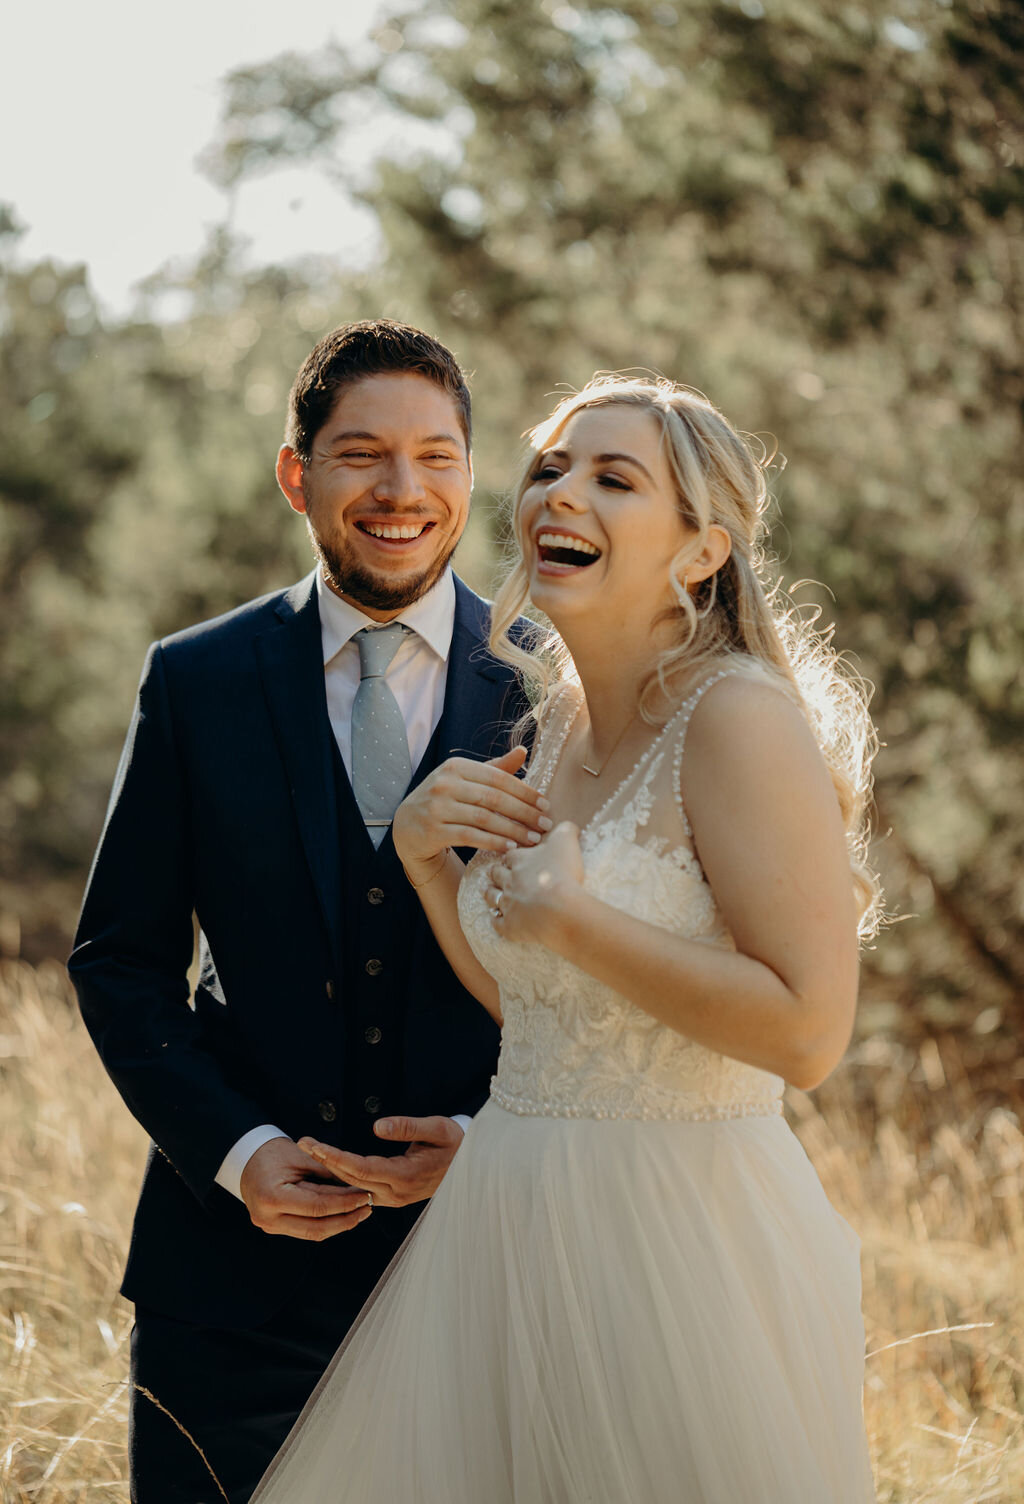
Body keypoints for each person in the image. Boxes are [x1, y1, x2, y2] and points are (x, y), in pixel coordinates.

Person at [252, 373, 881, 1503]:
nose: (559, 496)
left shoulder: (735, 717)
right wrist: (424, 864)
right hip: (506, 1221)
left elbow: (807, 1033)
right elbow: (540, 1002)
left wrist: (579, 923)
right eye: (548, 468)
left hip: (677, 1243)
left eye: (613, 478)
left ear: (701, 553)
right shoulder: (552, 729)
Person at [67, 319, 547, 1504]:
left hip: (481, 1275)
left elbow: (598, 991)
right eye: (361, 454)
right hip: (227, 1296)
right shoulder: (195, 680)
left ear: (469, 475)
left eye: (437, 456)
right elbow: (120, 963)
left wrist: (486, 1151)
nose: (402, 491)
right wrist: (239, 1156)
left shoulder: (553, 682)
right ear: (297, 473)